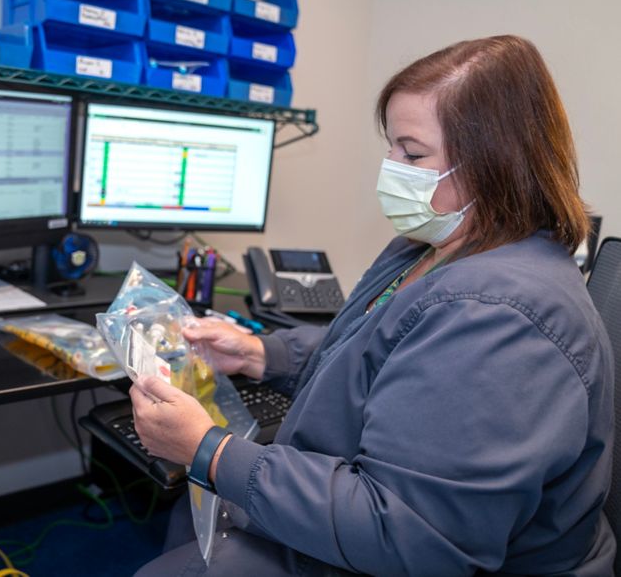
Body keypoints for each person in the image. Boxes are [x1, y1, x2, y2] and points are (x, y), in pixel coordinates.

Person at [130, 35, 615, 576]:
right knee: (190, 521)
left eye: (412, 154)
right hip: (367, 516)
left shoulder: (501, 317)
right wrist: (260, 354)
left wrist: (209, 452)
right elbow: (385, 346)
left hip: (405, 548)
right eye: (392, 147)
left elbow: (410, 537)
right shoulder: (434, 247)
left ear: (495, 164)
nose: (391, 167)